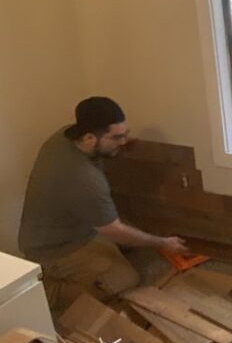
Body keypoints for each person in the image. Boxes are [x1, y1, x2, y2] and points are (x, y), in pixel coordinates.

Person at [18, 96, 186, 313]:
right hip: (56, 249)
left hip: (67, 227)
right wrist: (161, 243)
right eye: (117, 137)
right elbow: (113, 230)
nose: (123, 142)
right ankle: (46, 291)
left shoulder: (64, 136)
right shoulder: (84, 179)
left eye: (125, 134)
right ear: (89, 138)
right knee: (125, 279)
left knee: (126, 238)